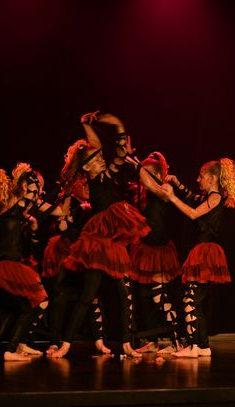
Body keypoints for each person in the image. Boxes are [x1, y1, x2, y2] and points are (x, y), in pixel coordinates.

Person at [49, 111, 153, 358]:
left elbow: (116, 153)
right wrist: (92, 126)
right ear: (87, 167)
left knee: (124, 294)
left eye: (100, 157)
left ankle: (127, 344)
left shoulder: (106, 173)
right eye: (96, 159)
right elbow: (99, 148)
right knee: (87, 296)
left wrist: (115, 129)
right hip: (97, 243)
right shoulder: (96, 181)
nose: (101, 160)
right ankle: (65, 344)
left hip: (112, 244)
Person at [0, 163, 64, 361]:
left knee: (9, 311)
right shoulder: (14, 203)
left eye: (39, 188)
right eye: (35, 186)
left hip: (2, 265)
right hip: (10, 266)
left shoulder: (16, 210)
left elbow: (55, 212)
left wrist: (34, 226)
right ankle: (11, 350)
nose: (37, 192)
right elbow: (42, 207)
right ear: (24, 185)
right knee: (30, 306)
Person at [162, 158, 235, 358]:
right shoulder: (208, 196)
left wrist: (172, 197)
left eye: (201, 176)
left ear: (212, 179)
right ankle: (203, 346)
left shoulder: (215, 198)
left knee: (190, 299)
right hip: (203, 251)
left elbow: (193, 213)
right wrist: (177, 184)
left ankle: (194, 346)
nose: (198, 180)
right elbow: (192, 197)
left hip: (206, 252)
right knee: (193, 300)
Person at [42, 177, 111, 356]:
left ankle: (99, 341)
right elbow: (61, 227)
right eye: (83, 185)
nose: (87, 188)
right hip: (65, 252)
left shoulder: (94, 205)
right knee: (59, 295)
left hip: (84, 254)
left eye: (89, 185)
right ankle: (54, 341)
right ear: (76, 187)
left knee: (91, 295)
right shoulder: (70, 203)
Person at [128, 151, 183, 354]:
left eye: (146, 173)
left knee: (160, 296)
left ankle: (177, 341)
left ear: (157, 175)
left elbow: (150, 184)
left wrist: (138, 167)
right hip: (145, 249)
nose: (142, 178)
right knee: (144, 296)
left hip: (160, 252)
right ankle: (152, 340)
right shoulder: (144, 194)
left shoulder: (165, 189)